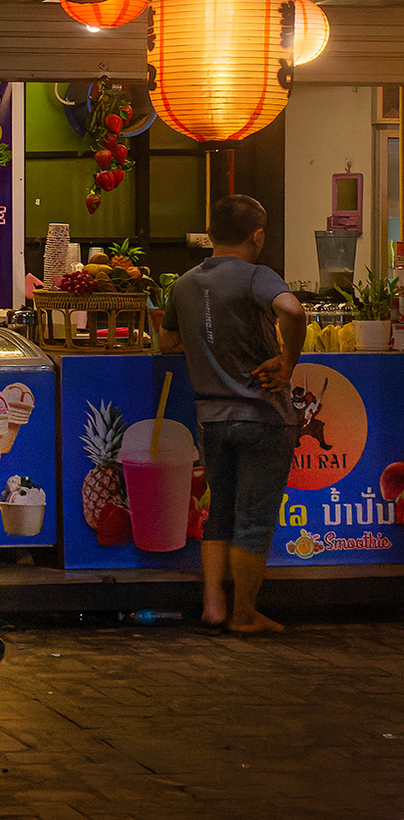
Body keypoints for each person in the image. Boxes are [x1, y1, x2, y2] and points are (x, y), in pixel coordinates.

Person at [156, 194, 306, 634]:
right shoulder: (258, 275)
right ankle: (244, 616)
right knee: (254, 519)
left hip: (212, 419)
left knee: (218, 511)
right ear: (257, 235)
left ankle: (214, 605)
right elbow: (292, 310)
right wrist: (288, 360)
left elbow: (167, 342)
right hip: (263, 416)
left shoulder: (182, 284)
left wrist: (208, 344)